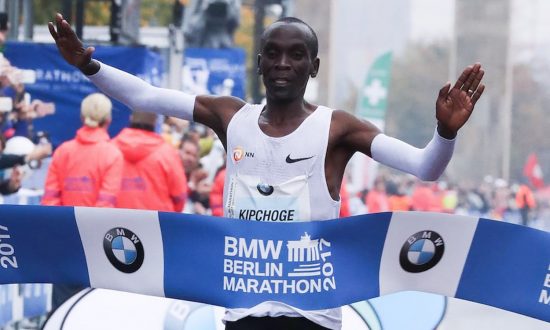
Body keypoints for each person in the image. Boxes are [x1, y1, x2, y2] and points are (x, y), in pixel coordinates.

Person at [49, 14, 485, 330]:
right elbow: (146, 95)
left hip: (311, 313)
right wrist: (89, 65)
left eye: (297, 55)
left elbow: (425, 167)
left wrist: (444, 133)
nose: (282, 63)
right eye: (272, 54)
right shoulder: (229, 117)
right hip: (243, 308)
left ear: (313, 67)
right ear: (258, 64)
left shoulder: (337, 128)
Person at [112, 111, 188, 212]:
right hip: (157, 222)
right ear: (155, 121)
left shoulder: (110, 148)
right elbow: (180, 196)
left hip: (114, 222)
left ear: (130, 118)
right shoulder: (168, 154)